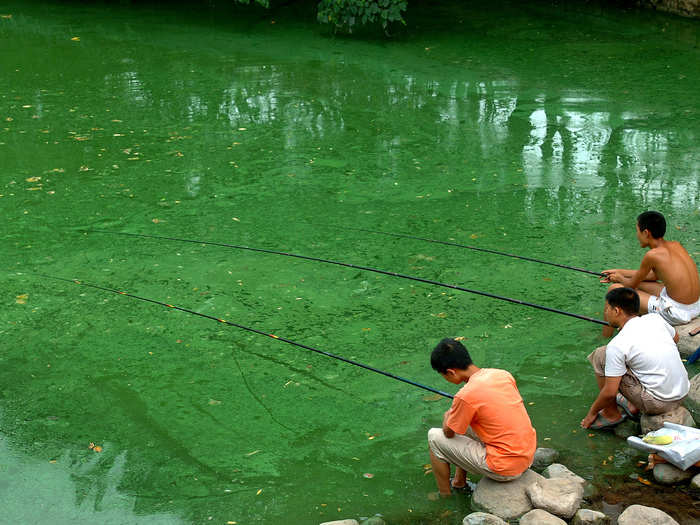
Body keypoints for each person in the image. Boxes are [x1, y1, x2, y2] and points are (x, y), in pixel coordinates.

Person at [427, 338, 536, 496]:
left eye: (443, 375)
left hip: (505, 468)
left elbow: (448, 433)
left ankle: (444, 494)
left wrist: (447, 417)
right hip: (527, 456)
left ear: (450, 371)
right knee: (463, 422)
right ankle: (459, 481)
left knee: (433, 437)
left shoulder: (465, 396)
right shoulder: (502, 374)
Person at [581, 287, 689, 430]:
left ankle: (611, 413)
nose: (606, 313)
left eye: (607, 309)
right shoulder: (655, 319)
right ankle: (632, 404)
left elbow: (610, 392)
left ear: (617, 311)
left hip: (660, 403)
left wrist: (591, 413)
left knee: (600, 355)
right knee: (632, 358)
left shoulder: (618, 344)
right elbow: (676, 338)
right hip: (682, 392)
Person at [600, 210, 700, 337]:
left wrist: (619, 278)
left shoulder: (652, 255)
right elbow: (654, 276)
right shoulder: (676, 245)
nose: (637, 235)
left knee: (614, 290)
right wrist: (620, 272)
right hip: (695, 306)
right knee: (640, 284)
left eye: (637, 231)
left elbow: (630, 285)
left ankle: (604, 339)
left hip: (677, 313)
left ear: (646, 233)